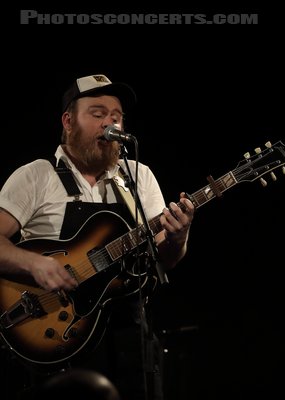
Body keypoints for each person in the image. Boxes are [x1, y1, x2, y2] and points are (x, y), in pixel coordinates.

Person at [0, 74, 195, 399]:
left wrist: (179, 237)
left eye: (116, 116)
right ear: (68, 121)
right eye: (97, 113)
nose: (110, 122)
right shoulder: (36, 175)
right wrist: (34, 264)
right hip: (57, 339)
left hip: (130, 339)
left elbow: (165, 261)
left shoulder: (138, 177)